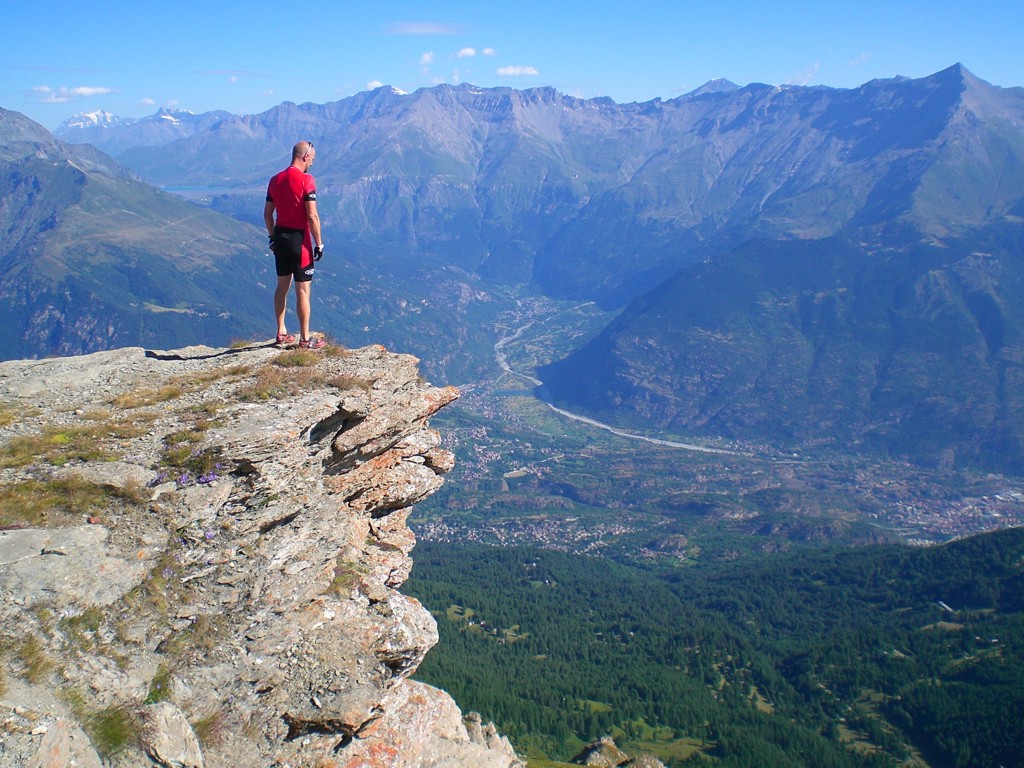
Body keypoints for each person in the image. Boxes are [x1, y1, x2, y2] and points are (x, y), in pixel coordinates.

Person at [264, 140, 325, 350]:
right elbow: (312, 216)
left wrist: (272, 237)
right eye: (313, 159)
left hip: (280, 238)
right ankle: (305, 339)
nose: (313, 164)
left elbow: (267, 214)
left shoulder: (275, 180)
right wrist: (319, 244)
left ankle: (281, 331)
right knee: (303, 290)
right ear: (306, 156)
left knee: (282, 286)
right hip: (300, 241)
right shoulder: (307, 180)